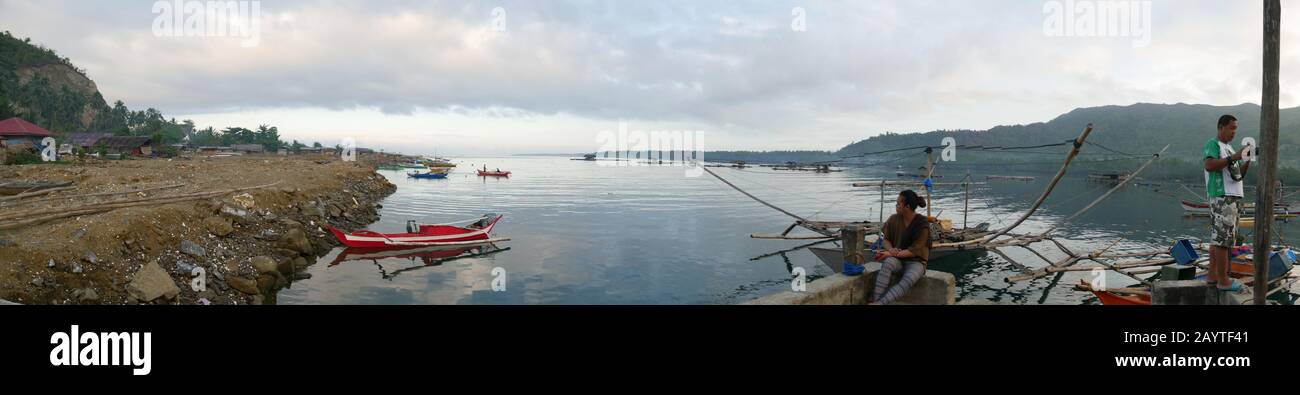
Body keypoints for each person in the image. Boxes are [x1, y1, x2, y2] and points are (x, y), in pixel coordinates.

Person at [1204, 114, 1250, 293]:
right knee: (1223, 241)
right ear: (1221, 127)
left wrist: (1245, 160)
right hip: (1222, 195)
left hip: (1233, 196)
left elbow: (1239, 175)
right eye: (1231, 128)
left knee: (1219, 239)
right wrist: (1234, 157)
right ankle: (1223, 280)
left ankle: (1212, 276)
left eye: (1236, 129)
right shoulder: (1213, 144)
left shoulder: (1230, 149)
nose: (1234, 132)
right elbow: (1209, 165)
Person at [869, 190, 931, 305]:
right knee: (888, 263)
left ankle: (879, 303)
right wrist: (890, 249)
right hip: (898, 259)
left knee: (908, 280)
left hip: (916, 262)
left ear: (907, 207)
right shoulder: (894, 219)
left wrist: (889, 253)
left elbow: (914, 252)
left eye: (898, 204)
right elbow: (886, 239)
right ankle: (876, 299)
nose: (896, 206)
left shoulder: (922, 224)